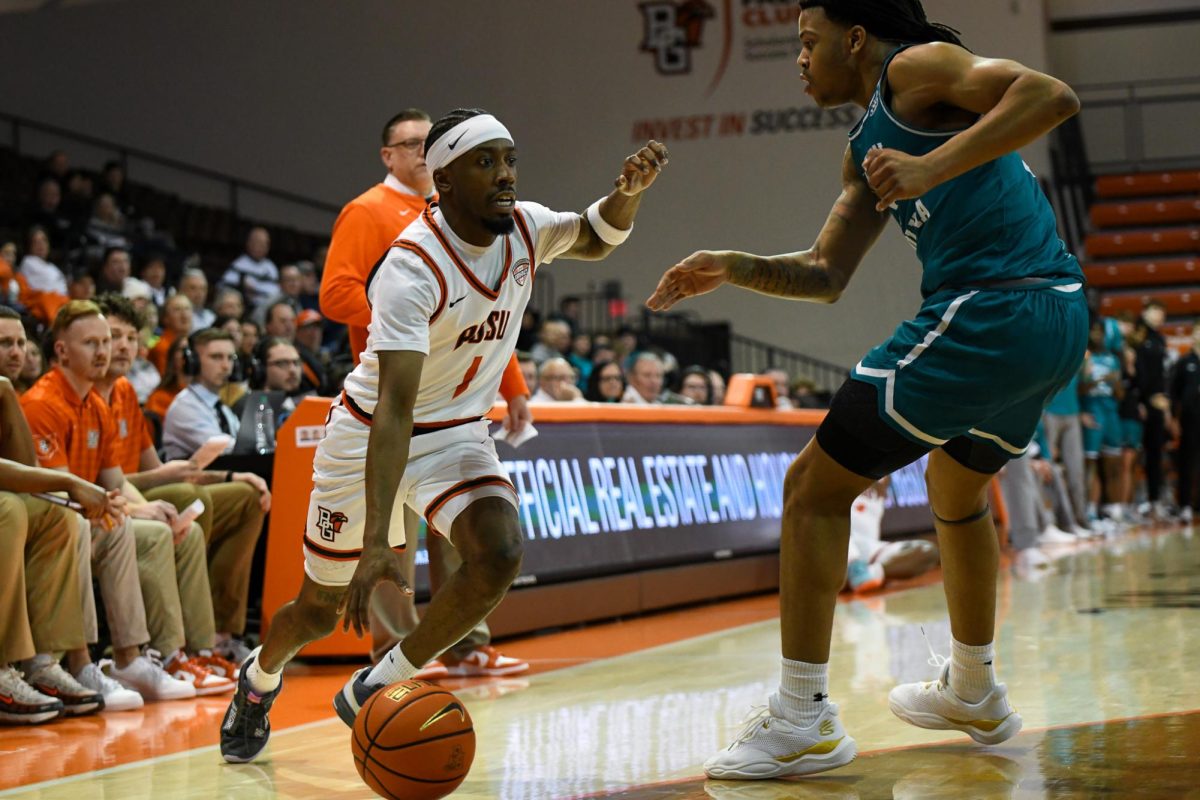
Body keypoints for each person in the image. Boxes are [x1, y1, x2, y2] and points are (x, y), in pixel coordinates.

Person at [647, 0, 1085, 779]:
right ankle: (976, 687)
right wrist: (733, 264)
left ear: (855, 38)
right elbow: (826, 274)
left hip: (994, 303)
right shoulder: (862, 148)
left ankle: (801, 716)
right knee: (956, 485)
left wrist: (930, 167)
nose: (800, 60)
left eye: (809, 43)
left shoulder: (914, 69)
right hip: (1053, 313)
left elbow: (1051, 96)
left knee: (812, 487)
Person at [219, 108, 668, 762]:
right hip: (371, 434)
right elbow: (396, 410)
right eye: (486, 163)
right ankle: (259, 679)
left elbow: (597, 236)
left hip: (455, 433)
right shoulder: (412, 266)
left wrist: (627, 195)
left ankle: (379, 681)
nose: (506, 175)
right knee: (319, 612)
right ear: (445, 180)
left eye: (510, 159)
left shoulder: (523, 226)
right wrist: (377, 540)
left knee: (502, 550)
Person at [318, 107, 533, 678]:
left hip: (454, 398)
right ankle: (396, 650)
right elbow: (335, 292)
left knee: (466, 528)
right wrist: (407, 314)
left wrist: (513, 386)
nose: (419, 150)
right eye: (408, 143)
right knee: (390, 532)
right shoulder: (368, 211)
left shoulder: (461, 209)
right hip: (396, 386)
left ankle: (465, 644)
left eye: (425, 141)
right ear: (388, 156)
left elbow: (487, 309)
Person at [22, 301, 208, 703]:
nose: (104, 351)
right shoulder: (43, 403)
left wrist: (133, 509)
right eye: (92, 343)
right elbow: (53, 494)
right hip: (52, 525)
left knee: (119, 525)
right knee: (88, 525)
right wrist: (123, 509)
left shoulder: (97, 405)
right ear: (61, 352)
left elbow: (114, 484)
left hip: (82, 518)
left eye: (106, 341)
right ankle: (81, 663)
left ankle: (130, 658)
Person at [96, 294, 269, 666]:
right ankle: (185, 642)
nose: (124, 346)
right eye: (113, 337)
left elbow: (152, 467)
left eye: (130, 338)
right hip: (114, 496)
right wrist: (161, 477)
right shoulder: (91, 394)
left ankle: (221, 634)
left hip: (137, 488)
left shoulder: (125, 392)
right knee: (188, 495)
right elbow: (100, 480)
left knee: (247, 496)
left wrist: (230, 473)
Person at [161, 330, 241, 461]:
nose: (226, 366)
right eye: (216, 357)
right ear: (194, 362)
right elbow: (226, 449)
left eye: (230, 358)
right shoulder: (185, 407)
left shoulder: (222, 408)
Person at [221, 227, 279, 310]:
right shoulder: (239, 264)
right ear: (249, 243)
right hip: (243, 307)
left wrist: (254, 289)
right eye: (257, 242)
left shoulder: (271, 268)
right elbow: (224, 285)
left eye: (264, 244)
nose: (261, 247)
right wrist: (241, 284)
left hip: (265, 308)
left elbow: (275, 293)